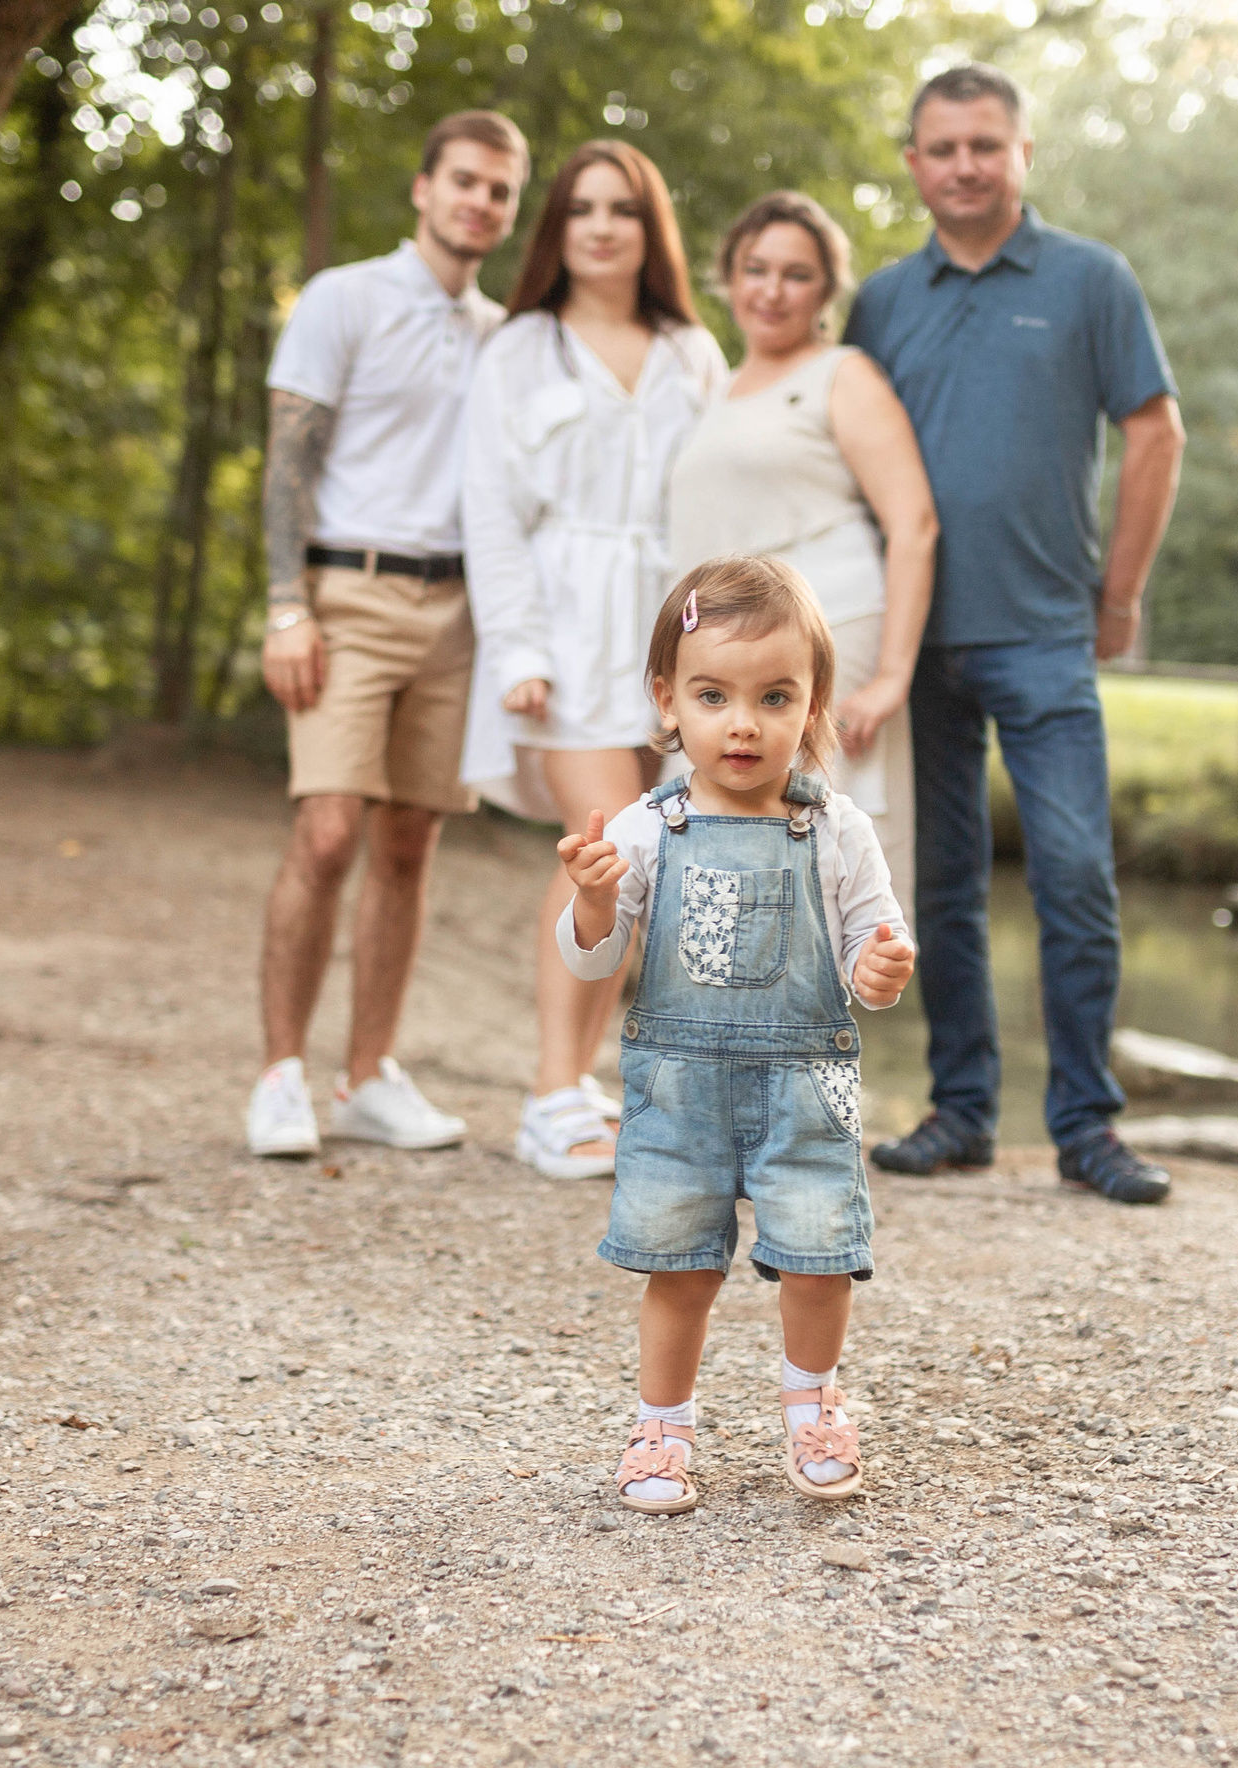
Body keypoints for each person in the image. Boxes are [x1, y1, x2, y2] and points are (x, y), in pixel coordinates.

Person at [843, 64, 1187, 1203]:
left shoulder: (1092, 280)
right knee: (938, 888)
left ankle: (1087, 1125)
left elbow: (1154, 432)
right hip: (914, 650)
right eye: (941, 149)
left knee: (1075, 877)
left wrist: (1120, 594)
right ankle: (962, 1110)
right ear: (913, 163)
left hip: (1045, 636)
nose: (963, 166)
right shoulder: (884, 301)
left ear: (1022, 154)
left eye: (985, 145)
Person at [554, 556, 916, 1512]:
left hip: (805, 1088)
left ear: (814, 704)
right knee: (679, 1269)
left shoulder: (836, 827)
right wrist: (592, 904)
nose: (744, 723)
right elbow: (594, 963)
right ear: (668, 703)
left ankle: (813, 1405)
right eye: (714, 696)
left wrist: (881, 968)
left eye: (774, 697)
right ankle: (661, 1427)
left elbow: (870, 942)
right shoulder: (644, 828)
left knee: (818, 1257)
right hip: (680, 1091)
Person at [244, 111, 528, 1160]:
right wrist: (285, 604)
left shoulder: (504, 336)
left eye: (498, 190)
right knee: (327, 832)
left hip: (459, 612)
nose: (479, 203)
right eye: (463, 181)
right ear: (422, 188)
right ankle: (281, 1076)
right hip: (346, 594)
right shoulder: (343, 298)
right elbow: (287, 461)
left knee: (410, 843)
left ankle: (368, 1075)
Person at [459, 140, 730, 1180]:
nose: (604, 227)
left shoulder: (689, 351)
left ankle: (583, 1082)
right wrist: (518, 646)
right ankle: (549, 1093)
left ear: (649, 227)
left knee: (655, 868)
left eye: (623, 209)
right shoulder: (521, 347)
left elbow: (713, 511)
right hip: (564, 636)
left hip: (669, 638)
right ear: (558, 230)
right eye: (583, 209)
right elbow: (490, 510)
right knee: (609, 847)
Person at [667, 191, 936, 906]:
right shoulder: (716, 392)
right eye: (756, 268)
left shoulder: (844, 374)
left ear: (826, 289)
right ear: (728, 277)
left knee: (833, 857)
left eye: (797, 273)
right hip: (731, 655)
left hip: (832, 637)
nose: (772, 290)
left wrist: (892, 675)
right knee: (737, 853)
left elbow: (914, 523)